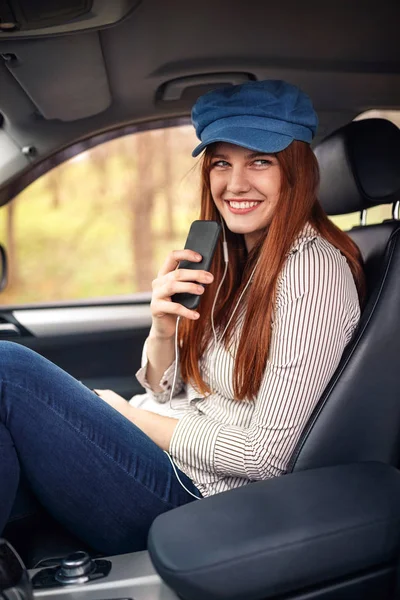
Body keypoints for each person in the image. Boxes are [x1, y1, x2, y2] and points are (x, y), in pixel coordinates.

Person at [0, 80, 365, 556]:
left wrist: (129, 418)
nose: (235, 184)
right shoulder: (237, 258)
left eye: (260, 160)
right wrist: (163, 329)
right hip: (166, 455)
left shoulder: (312, 272)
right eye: (221, 163)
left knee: (9, 368)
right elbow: (169, 392)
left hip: (199, 495)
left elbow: (267, 456)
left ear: (295, 170)